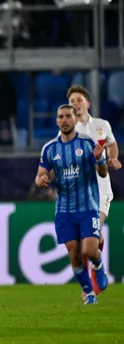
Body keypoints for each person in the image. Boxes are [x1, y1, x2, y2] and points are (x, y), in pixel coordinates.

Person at [35, 104, 108, 305]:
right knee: (74, 253)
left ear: (75, 120)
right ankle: (89, 294)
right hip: (64, 210)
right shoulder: (50, 148)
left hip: (88, 207)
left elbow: (102, 173)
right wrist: (41, 181)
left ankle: (98, 265)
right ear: (57, 121)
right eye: (61, 117)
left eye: (68, 116)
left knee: (89, 250)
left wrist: (101, 159)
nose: (65, 120)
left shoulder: (87, 143)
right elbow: (40, 176)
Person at [67, 85, 121, 296]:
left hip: (101, 189)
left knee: (90, 241)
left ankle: (93, 279)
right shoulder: (68, 130)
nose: (75, 104)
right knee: (85, 244)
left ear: (87, 103)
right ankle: (96, 270)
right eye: (72, 101)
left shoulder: (101, 125)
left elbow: (112, 144)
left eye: (79, 100)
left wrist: (113, 157)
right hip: (79, 192)